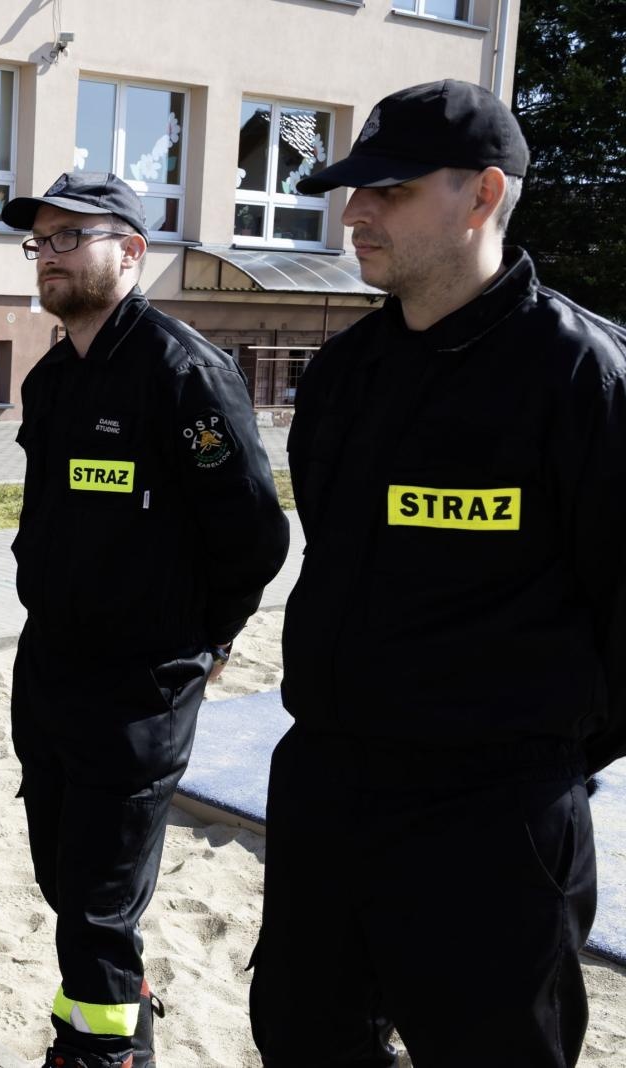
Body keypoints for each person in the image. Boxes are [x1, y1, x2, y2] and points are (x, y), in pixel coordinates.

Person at [250, 80, 626, 1068]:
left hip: (490, 816)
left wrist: (531, 763)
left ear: (482, 196)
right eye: (350, 188)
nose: (353, 212)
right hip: (327, 787)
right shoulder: (342, 376)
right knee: (302, 1037)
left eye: (390, 190)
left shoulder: (580, 375)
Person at [1, 172, 288, 1068]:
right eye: (37, 241)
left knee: (98, 894)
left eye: (66, 238)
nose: (47, 256)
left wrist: (209, 643)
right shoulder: (52, 376)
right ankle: (119, 1011)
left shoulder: (182, 371)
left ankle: (107, 1053)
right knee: (62, 874)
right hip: (49, 665)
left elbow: (253, 534)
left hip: (140, 679)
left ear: (130, 252)